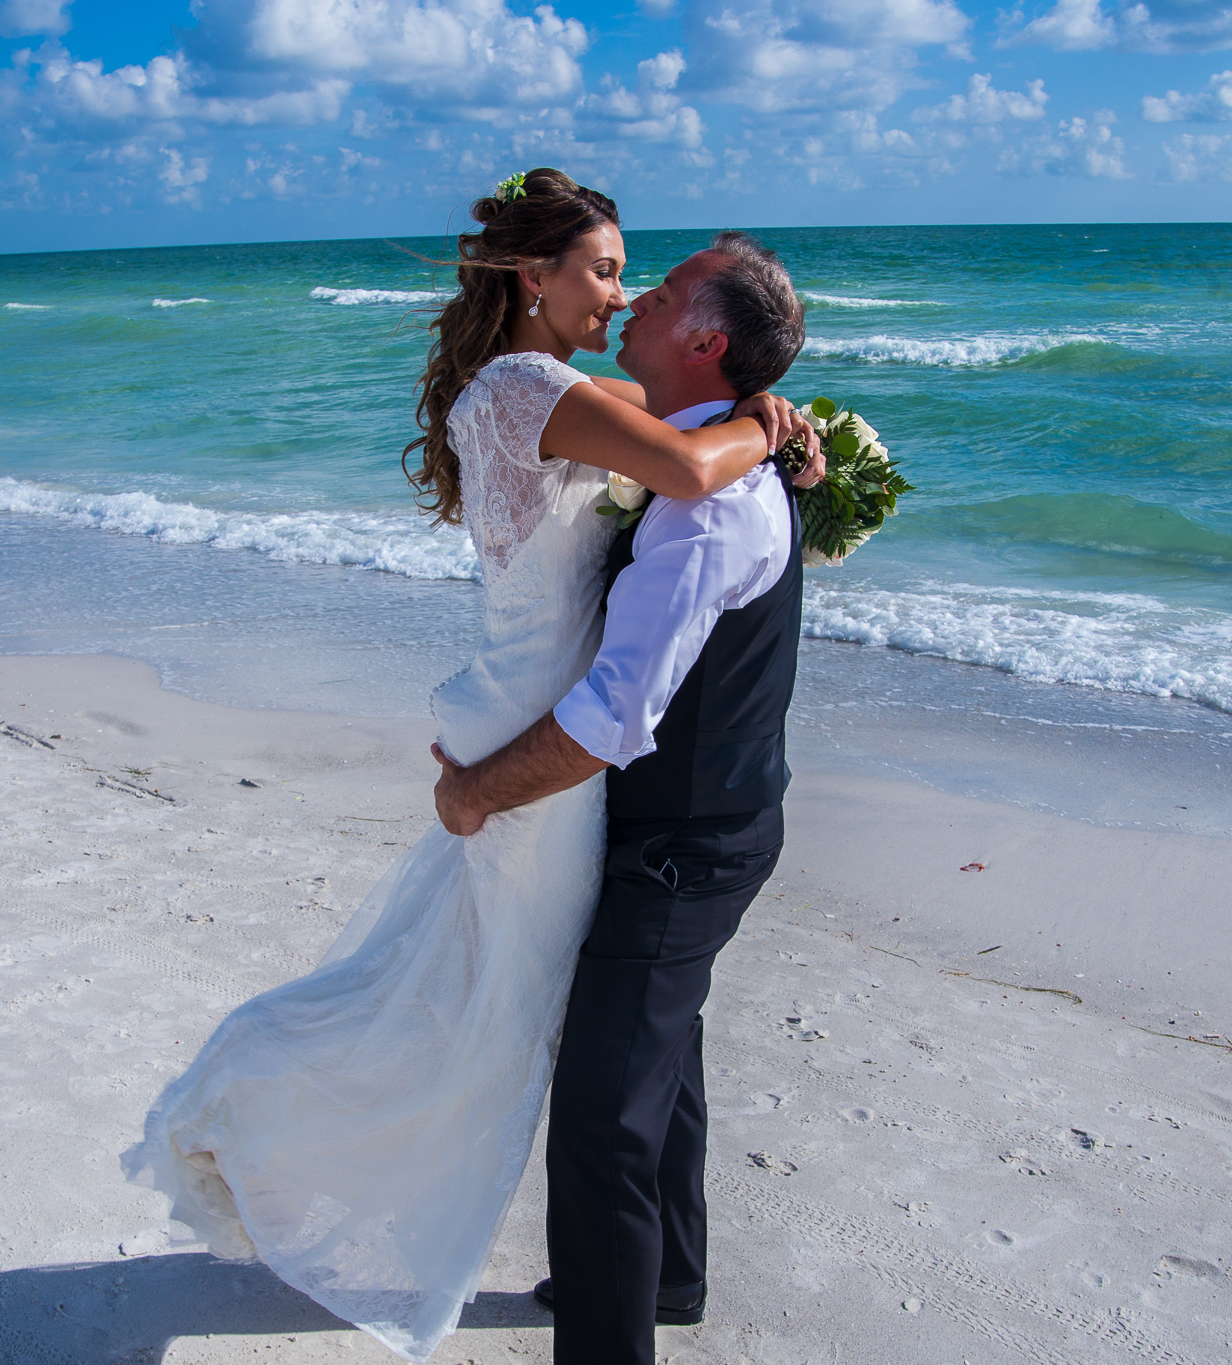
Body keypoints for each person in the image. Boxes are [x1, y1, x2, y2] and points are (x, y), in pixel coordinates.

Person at [126, 170, 821, 1363]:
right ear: (530, 276)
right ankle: (266, 1105)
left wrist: (752, 421)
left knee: (610, 1046)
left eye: (634, 278)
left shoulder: (567, 390)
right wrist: (765, 421)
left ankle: (659, 1280)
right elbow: (689, 468)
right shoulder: (527, 387)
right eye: (605, 270)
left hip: (574, 742)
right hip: (543, 740)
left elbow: (675, 449)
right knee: (523, 1014)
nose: (621, 292)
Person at [429, 230, 810, 1365]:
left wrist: (474, 798)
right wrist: (772, 427)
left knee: (600, 1122)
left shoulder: (703, 502)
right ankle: (673, 1278)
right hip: (712, 820)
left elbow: (612, 716)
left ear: (700, 338)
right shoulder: (695, 450)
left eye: (661, 285)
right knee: (659, 1051)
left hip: (680, 846)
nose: (633, 295)